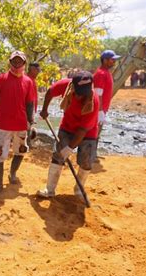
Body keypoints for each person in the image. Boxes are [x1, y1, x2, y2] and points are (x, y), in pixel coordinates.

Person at [37, 71, 99, 199]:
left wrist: (70, 148)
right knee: (58, 156)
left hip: (88, 132)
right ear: (73, 86)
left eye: (85, 92)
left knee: (86, 161)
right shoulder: (65, 85)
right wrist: (44, 109)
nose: (82, 96)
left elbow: (82, 130)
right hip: (67, 127)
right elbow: (50, 92)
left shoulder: (94, 101)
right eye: (80, 92)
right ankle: (49, 190)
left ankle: (78, 191)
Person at [0, 51, 36, 196]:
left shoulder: (28, 82)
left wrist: (31, 122)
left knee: (20, 151)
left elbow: (29, 104)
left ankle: (12, 173)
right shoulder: (1, 79)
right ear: (10, 62)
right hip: (2, 123)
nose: (17, 63)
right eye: (14, 61)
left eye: (19, 61)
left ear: (24, 63)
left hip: (20, 123)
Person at [93, 49, 121, 159]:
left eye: (114, 60)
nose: (114, 62)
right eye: (112, 60)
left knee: (97, 131)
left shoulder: (106, 73)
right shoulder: (101, 74)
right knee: (94, 131)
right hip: (98, 108)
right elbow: (98, 93)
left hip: (102, 108)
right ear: (105, 60)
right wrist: (99, 111)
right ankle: (90, 154)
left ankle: (93, 153)